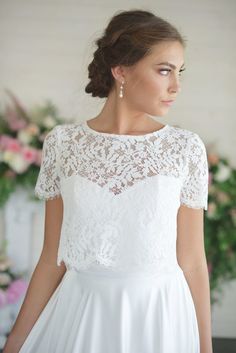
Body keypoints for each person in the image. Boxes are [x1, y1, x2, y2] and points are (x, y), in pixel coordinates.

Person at [3, 8, 213, 353]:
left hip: (158, 316)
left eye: (179, 72)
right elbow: (52, 257)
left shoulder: (184, 148)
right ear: (121, 71)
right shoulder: (63, 144)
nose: (176, 86)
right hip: (82, 310)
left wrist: (206, 348)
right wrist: (15, 343)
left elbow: (191, 259)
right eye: (164, 71)